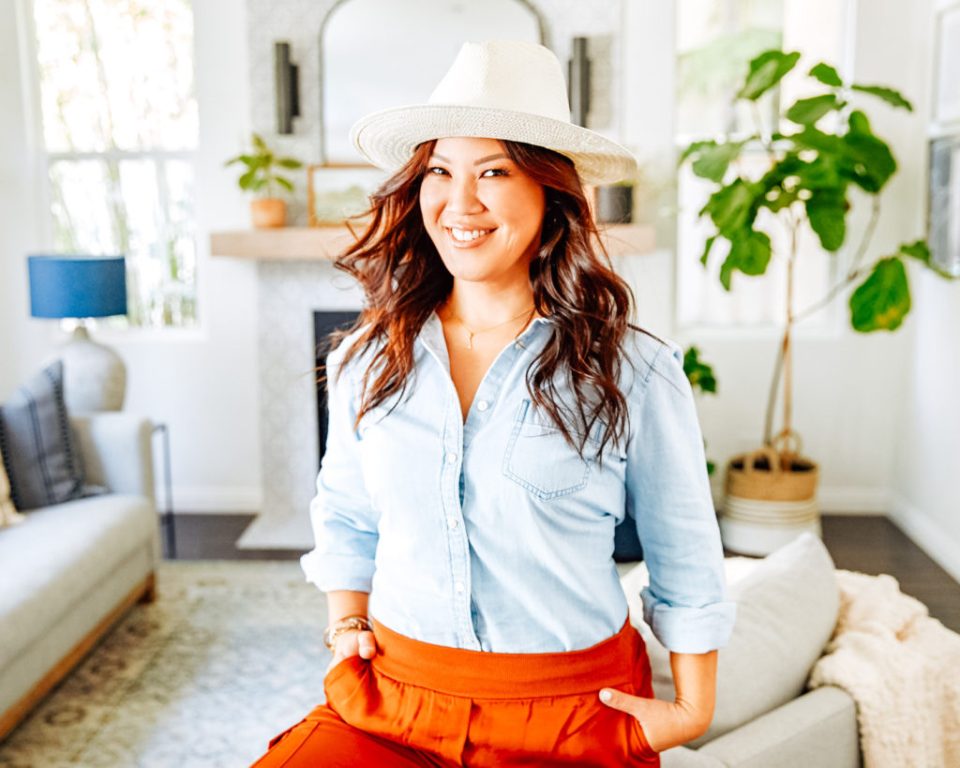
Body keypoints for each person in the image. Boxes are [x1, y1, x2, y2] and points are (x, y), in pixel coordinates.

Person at [250, 39, 736, 768]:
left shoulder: (634, 369)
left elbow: (686, 555)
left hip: (572, 712)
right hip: (394, 700)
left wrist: (691, 711)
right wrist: (345, 623)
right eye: (440, 171)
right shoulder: (365, 358)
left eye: (495, 172)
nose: (460, 202)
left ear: (551, 192)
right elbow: (347, 513)